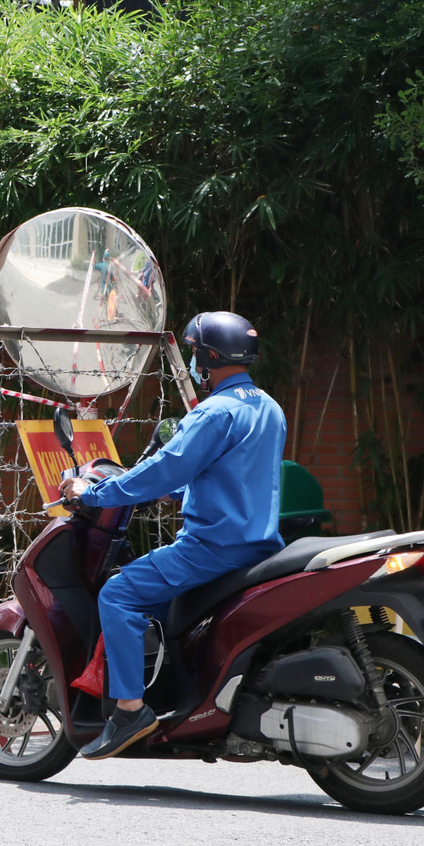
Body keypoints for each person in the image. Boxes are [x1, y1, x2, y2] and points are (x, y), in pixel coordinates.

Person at [61, 310, 286, 760]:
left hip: (211, 549)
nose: (194, 363)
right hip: (258, 546)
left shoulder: (214, 412)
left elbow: (163, 468)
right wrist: (178, 492)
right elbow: (234, 473)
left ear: (209, 358)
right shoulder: (269, 408)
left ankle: (130, 711)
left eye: (196, 354)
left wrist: (95, 492)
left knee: (118, 594)